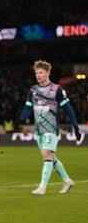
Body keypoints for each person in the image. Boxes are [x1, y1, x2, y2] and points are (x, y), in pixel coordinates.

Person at [18, 60, 82, 195]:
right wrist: (21, 117)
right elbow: (27, 107)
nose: (38, 75)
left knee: (47, 154)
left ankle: (42, 187)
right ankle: (67, 180)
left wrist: (75, 126)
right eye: (36, 73)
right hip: (38, 130)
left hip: (51, 129)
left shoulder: (57, 89)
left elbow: (68, 109)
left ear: (48, 73)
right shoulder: (33, 90)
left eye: (41, 72)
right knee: (50, 157)